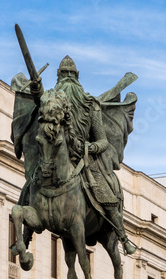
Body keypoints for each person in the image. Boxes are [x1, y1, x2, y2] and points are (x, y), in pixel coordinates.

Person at [53, 55, 136, 255]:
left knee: (106, 195)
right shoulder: (51, 101)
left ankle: (122, 236)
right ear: (58, 77)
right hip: (55, 158)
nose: (67, 79)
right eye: (64, 75)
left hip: (86, 161)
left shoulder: (90, 104)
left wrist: (88, 148)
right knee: (32, 182)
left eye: (69, 75)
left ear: (77, 77)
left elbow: (103, 141)